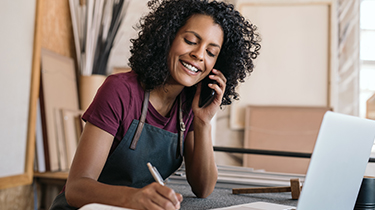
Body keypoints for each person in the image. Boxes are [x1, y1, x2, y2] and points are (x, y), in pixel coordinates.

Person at [50, 0, 260, 209]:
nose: (199, 55)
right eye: (190, 40)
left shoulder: (187, 105)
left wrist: (203, 122)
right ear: (167, 37)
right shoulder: (120, 91)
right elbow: (76, 189)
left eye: (211, 52)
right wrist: (133, 198)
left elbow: (203, 187)